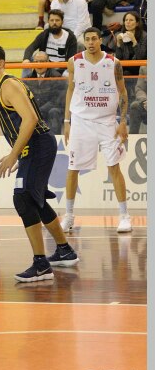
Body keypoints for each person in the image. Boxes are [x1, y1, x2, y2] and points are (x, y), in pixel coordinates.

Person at [0, 43, 79, 281]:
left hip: (38, 144)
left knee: (23, 198)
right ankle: (64, 250)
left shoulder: (8, 85)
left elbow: (31, 119)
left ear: (2, 63)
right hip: (33, 147)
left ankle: (41, 263)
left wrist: (15, 153)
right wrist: (18, 152)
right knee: (34, 198)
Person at [60, 27, 131, 234]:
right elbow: (70, 90)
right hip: (81, 121)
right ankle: (69, 215)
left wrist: (123, 120)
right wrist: (67, 121)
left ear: (100, 40)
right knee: (73, 168)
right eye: (87, 39)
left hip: (107, 122)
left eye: (94, 39)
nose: (90, 42)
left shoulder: (113, 63)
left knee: (114, 167)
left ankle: (124, 216)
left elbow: (123, 91)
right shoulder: (74, 61)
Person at [23, 9, 77, 75]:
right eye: (52, 20)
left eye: (57, 20)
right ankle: (24, 84)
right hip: (45, 68)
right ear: (48, 22)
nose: (54, 23)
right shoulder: (44, 35)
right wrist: (26, 59)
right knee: (28, 60)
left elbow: (71, 59)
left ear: (62, 22)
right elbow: (30, 48)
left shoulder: (70, 37)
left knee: (67, 74)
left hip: (63, 69)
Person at [23, 51, 66, 135]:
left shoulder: (56, 77)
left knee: (54, 111)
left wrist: (39, 110)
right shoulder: (27, 79)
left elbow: (56, 101)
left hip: (50, 110)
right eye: (36, 62)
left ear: (47, 62)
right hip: (35, 111)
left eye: (42, 61)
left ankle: (55, 140)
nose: (39, 64)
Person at [115, 11, 147, 100]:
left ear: (137, 23)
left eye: (131, 20)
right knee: (120, 72)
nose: (128, 22)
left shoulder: (144, 36)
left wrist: (134, 41)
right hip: (126, 68)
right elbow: (118, 58)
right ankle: (122, 100)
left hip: (140, 68)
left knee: (125, 73)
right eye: (126, 20)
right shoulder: (121, 35)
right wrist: (118, 43)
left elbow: (141, 56)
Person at [129, 66, 147, 134]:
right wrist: (144, 101)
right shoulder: (144, 68)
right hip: (147, 104)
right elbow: (139, 89)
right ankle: (132, 139)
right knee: (135, 106)